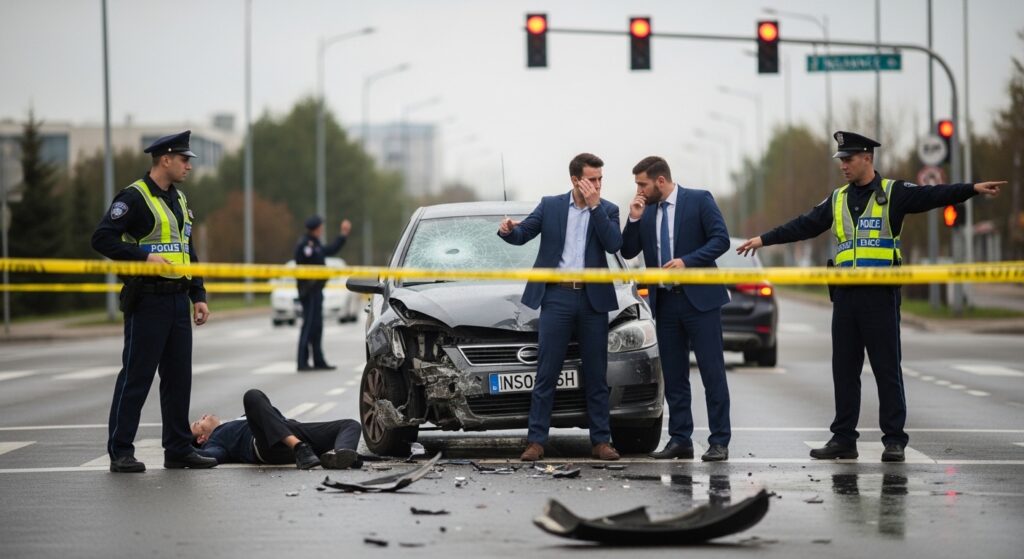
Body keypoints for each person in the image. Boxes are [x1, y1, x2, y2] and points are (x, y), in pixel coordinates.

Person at [736, 131, 1005, 462]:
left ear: (867, 158)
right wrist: (763, 239)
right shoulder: (837, 199)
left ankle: (894, 440)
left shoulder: (895, 193)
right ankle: (843, 439)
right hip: (846, 298)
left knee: (886, 370)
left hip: (880, 297)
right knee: (844, 370)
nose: (843, 166)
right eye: (841, 160)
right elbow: (804, 225)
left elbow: (933, 194)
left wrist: (971, 190)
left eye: (848, 159)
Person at [91, 130, 217, 473]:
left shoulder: (179, 200)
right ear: (165, 159)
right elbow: (102, 238)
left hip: (177, 301)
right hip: (147, 301)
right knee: (136, 377)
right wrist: (142, 257)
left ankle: (178, 449)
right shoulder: (134, 197)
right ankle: (120, 450)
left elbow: (186, 250)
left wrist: (198, 294)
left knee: (179, 379)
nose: (188, 166)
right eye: (184, 159)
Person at [497, 152, 623, 462]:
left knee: (596, 373)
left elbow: (613, 244)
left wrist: (595, 207)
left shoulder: (607, 210)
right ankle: (536, 441)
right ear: (575, 179)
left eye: (600, 179)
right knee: (547, 372)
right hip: (557, 297)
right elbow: (524, 234)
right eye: (591, 179)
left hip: (593, 300)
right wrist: (509, 230)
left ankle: (601, 441)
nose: (597, 185)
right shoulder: (551, 206)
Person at [621, 156, 732, 462]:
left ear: (660, 180)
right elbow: (628, 250)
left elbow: (720, 239)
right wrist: (632, 218)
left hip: (701, 302)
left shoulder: (699, 200)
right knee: (674, 374)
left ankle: (719, 441)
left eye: (642, 184)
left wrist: (688, 261)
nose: (639, 190)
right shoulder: (645, 210)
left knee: (712, 373)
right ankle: (680, 439)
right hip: (666, 303)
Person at [191, 389, 362, 469]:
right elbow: (209, 456)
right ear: (201, 439)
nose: (203, 416)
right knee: (252, 395)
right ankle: (299, 448)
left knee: (350, 424)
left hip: (291, 429)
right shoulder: (215, 441)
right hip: (265, 445)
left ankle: (342, 454)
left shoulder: (235, 421)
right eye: (198, 423)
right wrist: (180, 447)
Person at [294, 215, 351, 371]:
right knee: (308, 326)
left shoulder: (315, 244)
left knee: (317, 327)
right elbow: (302, 266)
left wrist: (343, 235)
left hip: (316, 291)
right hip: (309, 292)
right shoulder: (305, 245)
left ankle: (319, 360)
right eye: (320, 227)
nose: (322, 229)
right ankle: (302, 362)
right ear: (316, 228)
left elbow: (330, 249)